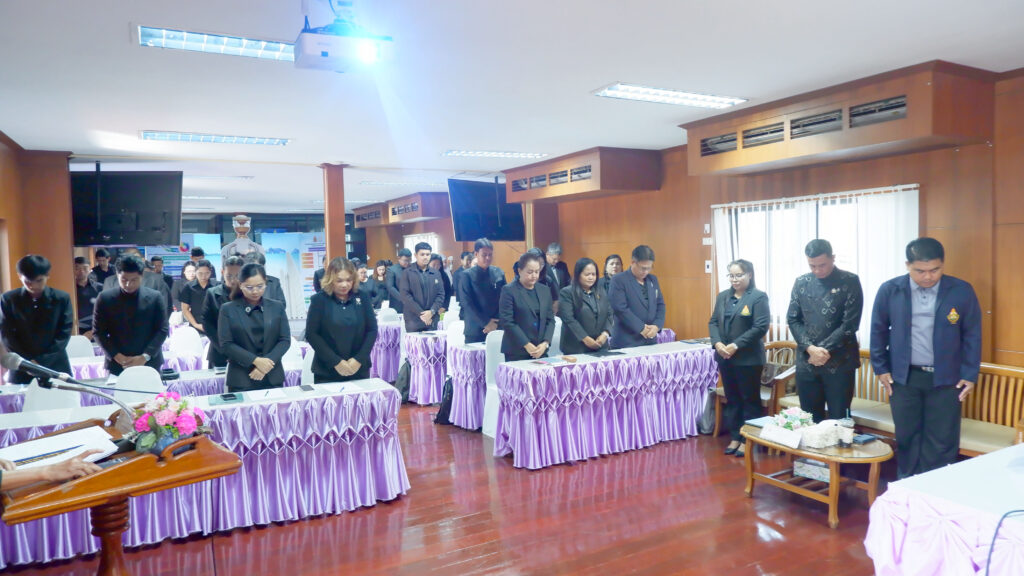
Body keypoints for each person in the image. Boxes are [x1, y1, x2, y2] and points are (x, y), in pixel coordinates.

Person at [870, 237, 981, 479]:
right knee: (907, 437)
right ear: (907, 265)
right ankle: (907, 487)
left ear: (943, 264)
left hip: (947, 379)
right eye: (920, 271)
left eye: (935, 270)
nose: (928, 277)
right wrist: (881, 368)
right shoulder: (891, 290)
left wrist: (970, 374)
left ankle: (936, 489)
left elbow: (972, 334)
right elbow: (878, 331)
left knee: (941, 441)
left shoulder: (961, 290)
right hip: (904, 378)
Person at [786, 239, 864, 423]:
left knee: (840, 420)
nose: (817, 270)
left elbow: (850, 324)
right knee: (809, 419)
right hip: (808, 361)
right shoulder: (802, 282)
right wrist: (810, 348)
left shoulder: (850, 281)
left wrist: (822, 350)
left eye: (822, 265)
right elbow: (793, 319)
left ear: (833, 258)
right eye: (812, 266)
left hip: (840, 362)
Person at [709, 259, 770, 458]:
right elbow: (713, 322)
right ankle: (735, 436)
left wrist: (735, 345)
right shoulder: (723, 296)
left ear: (749, 275)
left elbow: (760, 327)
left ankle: (748, 439)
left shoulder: (758, 297)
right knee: (733, 399)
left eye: (739, 275)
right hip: (725, 357)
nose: (734, 280)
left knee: (749, 400)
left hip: (748, 359)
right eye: (731, 276)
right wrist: (718, 343)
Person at [217, 263, 290, 393]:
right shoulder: (228, 309)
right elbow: (226, 344)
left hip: (272, 376)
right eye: (249, 287)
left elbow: (284, 340)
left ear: (266, 283)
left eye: (260, 286)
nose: (255, 291)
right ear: (240, 285)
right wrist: (255, 361)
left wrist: (265, 365)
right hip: (241, 378)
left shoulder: (277, 307)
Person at [0, 255, 73, 384]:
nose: (33, 285)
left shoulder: (61, 298)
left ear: (47, 275)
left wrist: (41, 361)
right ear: (19, 276)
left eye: (39, 280)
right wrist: (27, 363)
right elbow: (7, 335)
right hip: (21, 365)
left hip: (55, 364)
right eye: (27, 281)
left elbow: (64, 334)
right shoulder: (9, 299)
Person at [93, 255, 168, 375]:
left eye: (134, 280)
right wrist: (117, 356)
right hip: (117, 363)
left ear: (142, 276)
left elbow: (162, 329)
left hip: (149, 361)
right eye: (124, 280)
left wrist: (145, 356)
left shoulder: (155, 297)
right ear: (117, 275)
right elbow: (98, 332)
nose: (128, 284)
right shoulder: (105, 298)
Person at [306, 257, 378, 383]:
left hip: (358, 368)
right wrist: (336, 362)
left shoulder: (362, 297)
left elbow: (372, 330)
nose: (345, 285)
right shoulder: (319, 300)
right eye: (339, 280)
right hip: (327, 370)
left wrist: (359, 359)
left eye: (349, 280)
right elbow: (312, 334)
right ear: (330, 279)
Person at [500, 251, 555, 361]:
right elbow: (507, 321)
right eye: (530, 272)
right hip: (517, 350)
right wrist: (527, 344)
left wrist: (545, 343)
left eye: (537, 272)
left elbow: (550, 320)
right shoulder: (509, 290)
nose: (534, 275)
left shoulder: (544, 290)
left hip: (540, 350)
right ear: (520, 271)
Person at [609, 245, 665, 349]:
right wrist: (641, 328)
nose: (646, 272)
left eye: (649, 268)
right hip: (627, 342)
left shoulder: (653, 280)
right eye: (643, 268)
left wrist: (657, 326)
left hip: (650, 341)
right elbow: (620, 309)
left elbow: (660, 305)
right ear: (633, 262)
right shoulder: (619, 280)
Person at [557, 257, 613, 355]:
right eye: (587, 274)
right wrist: (586, 339)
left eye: (593, 274)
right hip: (576, 347)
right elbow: (569, 320)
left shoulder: (601, 291)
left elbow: (609, 314)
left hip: (600, 345)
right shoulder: (567, 293)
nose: (591, 277)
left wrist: (605, 334)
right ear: (578, 275)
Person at [458, 238, 507, 344]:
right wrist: (486, 323)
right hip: (475, 329)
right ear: (476, 254)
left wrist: (496, 322)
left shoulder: (498, 273)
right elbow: (467, 303)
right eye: (484, 255)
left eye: (490, 255)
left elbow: (505, 298)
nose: (488, 258)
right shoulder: (467, 275)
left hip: (496, 326)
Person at [201, 256, 244, 369]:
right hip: (219, 351)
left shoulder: (248, 293)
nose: (233, 280)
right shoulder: (212, 293)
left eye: (237, 276)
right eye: (229, 276)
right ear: (222, 272)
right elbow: (207, 324)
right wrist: (225, 349)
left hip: (246, 351)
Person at [399, 242, 445, 332]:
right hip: (413, 319)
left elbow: (440, 294)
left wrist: (431, 312)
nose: (425, 257)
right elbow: (405, 296)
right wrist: (422, 314)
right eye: (422, 254)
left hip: (432, 318)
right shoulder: (407, 273)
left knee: (433, 341)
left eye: (428, 254)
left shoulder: (436, 273)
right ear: (415, 255)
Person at [180, 259, 219, 334]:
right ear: (195, 272)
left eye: (207, 273)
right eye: (200, 273)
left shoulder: (217, 285)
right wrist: (196, 324)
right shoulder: (188, 287)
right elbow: (185, 309)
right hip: (195, 327)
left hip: (215, 326)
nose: (203, 276)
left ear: (210, 272)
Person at [73, 256, 102, 338]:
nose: (81, 271)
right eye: (77, 268)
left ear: (90, 269)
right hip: (76, 330)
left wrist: (93, 331)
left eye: (85, 268)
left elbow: (106, 311)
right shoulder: (69, 289)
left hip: (97, 330)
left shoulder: (100, 288)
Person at [385, 248, 412, 313]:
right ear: (399, 258)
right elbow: (390, 287)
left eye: (409, 260)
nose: (407, 263)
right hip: (398, 303)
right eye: (405, 260)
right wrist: (403, 299)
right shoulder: (392, 270)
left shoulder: (413, 269)